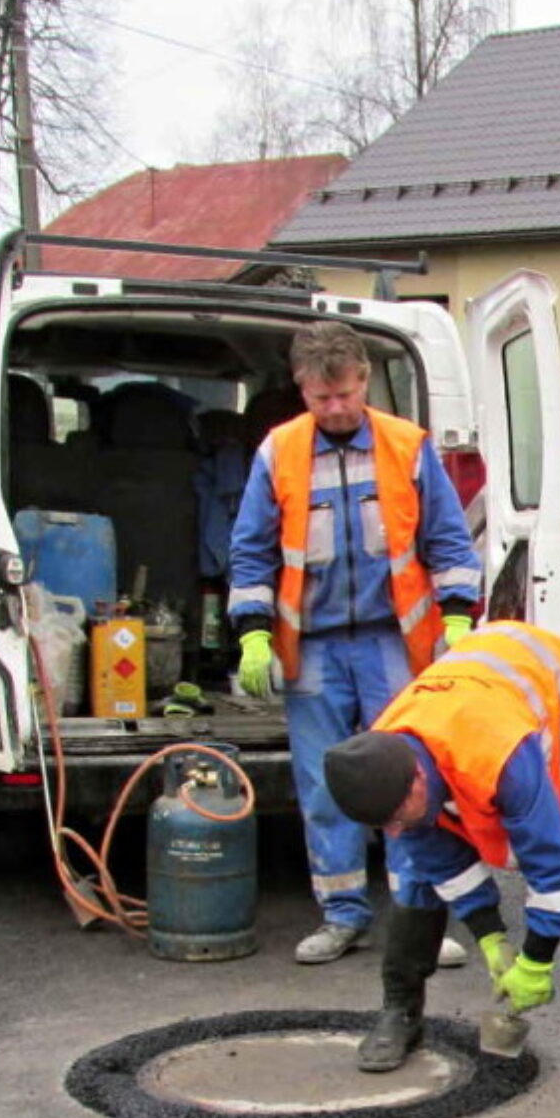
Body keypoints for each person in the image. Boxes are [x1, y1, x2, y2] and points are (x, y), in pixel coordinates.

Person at [227, 323, 483, 965]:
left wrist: (456, 618)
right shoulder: (278, 452)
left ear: (364, 381)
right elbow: (251, 550)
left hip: (392, 645)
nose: (335, 408)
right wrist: (254, 634)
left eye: (343, 394)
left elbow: (449, 541)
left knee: (410, 782)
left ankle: (417, 917)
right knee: (324, 784)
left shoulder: (408, 446)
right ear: (302, 391)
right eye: (320, 398)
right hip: (311, 648)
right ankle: (342, 915)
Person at [321, 620, 560, 1082]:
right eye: (383, 825)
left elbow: (552, 868)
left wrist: (536, 960)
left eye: (397, 815)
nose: (393, 831)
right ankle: (401, 1011)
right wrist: (490, 936)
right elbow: (443, 863)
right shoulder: (383, 762)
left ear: (417, 778)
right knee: (418, 876)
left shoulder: (498, 755)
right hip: (487, 701)